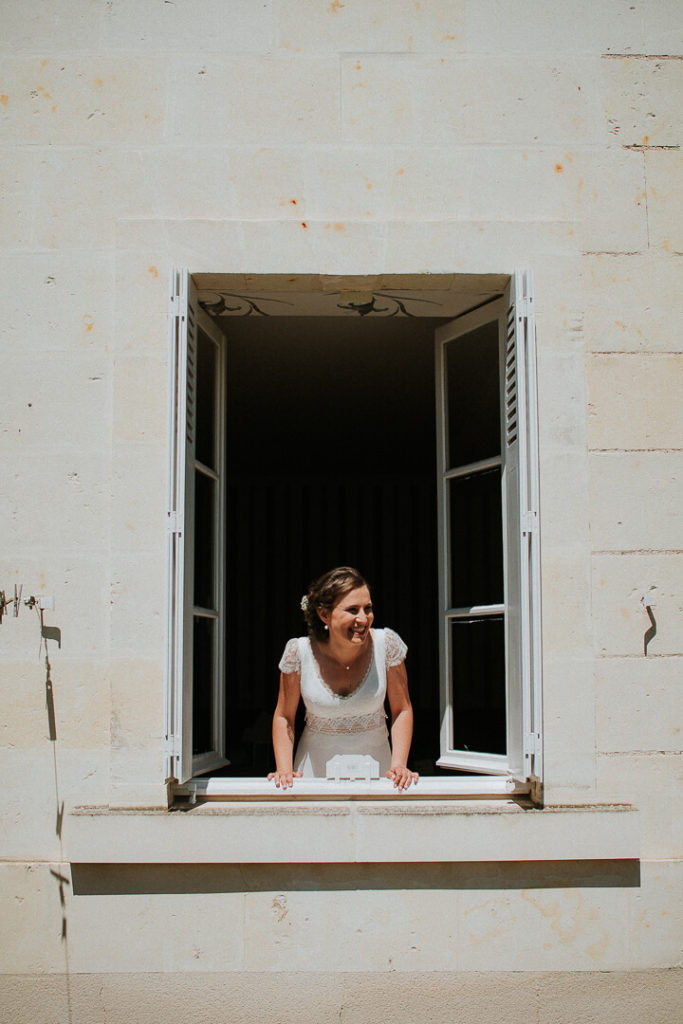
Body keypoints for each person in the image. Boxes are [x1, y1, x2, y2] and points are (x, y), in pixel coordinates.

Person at [268, 566, 419, 791]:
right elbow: (284, 716)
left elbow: (402, 709)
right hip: (313, 776)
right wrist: (284, 769)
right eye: (352, 610)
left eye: (368, 608)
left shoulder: (386, 645)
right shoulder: (299, 652)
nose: (363, 619)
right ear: (324, 614)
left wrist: (398, 765)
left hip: (378, 774)